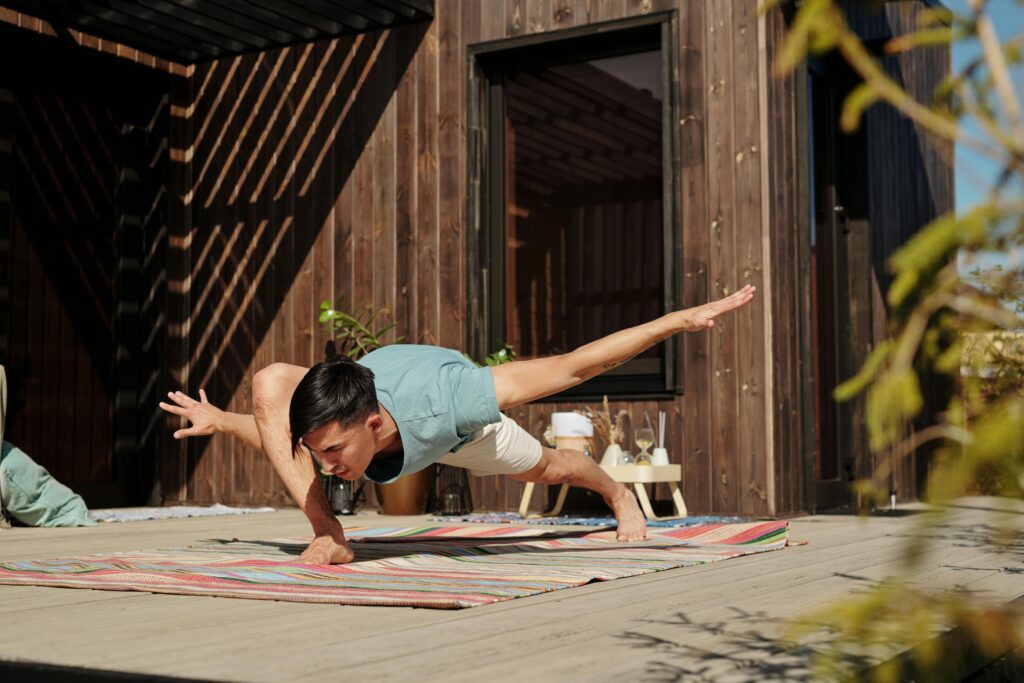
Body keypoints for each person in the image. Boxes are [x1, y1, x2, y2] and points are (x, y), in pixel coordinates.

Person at [160, 285, 756, 564]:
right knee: (269, 383)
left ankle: (616, 491)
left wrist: (675, 321)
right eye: (318, 453)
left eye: (336, 450)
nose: (326, 465)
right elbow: (274, 432)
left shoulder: (457, 399)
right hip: (404, 428)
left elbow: (576, 365)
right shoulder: (342, 421)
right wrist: (219, 419)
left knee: (551, 468)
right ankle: (329, 534)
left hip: (461, 436)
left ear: (371, 423)